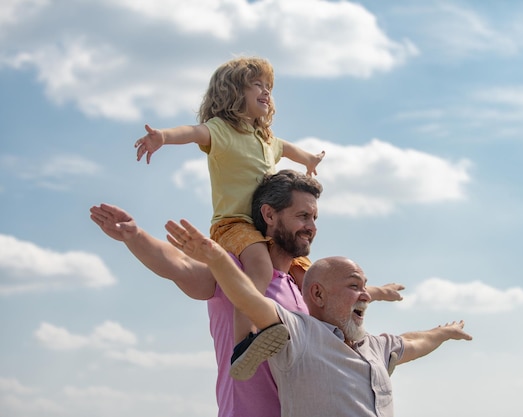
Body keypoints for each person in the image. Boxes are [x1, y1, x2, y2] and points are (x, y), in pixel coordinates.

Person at [90, 169, 403, 417]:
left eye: (314, 218)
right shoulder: (235, 272)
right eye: (303, 216)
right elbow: (179, 266)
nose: (312, 226)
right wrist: (135, 235)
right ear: (269, 215)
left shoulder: (303, 288)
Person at [165, 221, 473, 417]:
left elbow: (414, 341)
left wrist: (444, 332)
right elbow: (248, 299)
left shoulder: (376, 347)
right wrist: (218, 259)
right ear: (318, 294)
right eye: (354, 286)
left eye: (365, 287)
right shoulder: (299, 334)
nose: (365, 294)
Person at [134, 56, 325, 362]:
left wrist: (309, 161)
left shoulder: (265, 138)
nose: (266, 92)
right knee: (260, 268)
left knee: (306, 272)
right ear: (234, 93)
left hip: (266, 227)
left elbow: (288, 148)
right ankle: (244, 341)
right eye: (257, 85)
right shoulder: (222, 130)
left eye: (269, 87)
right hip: (233, 223)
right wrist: (164, 137)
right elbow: (193, 132)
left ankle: (325, 338)